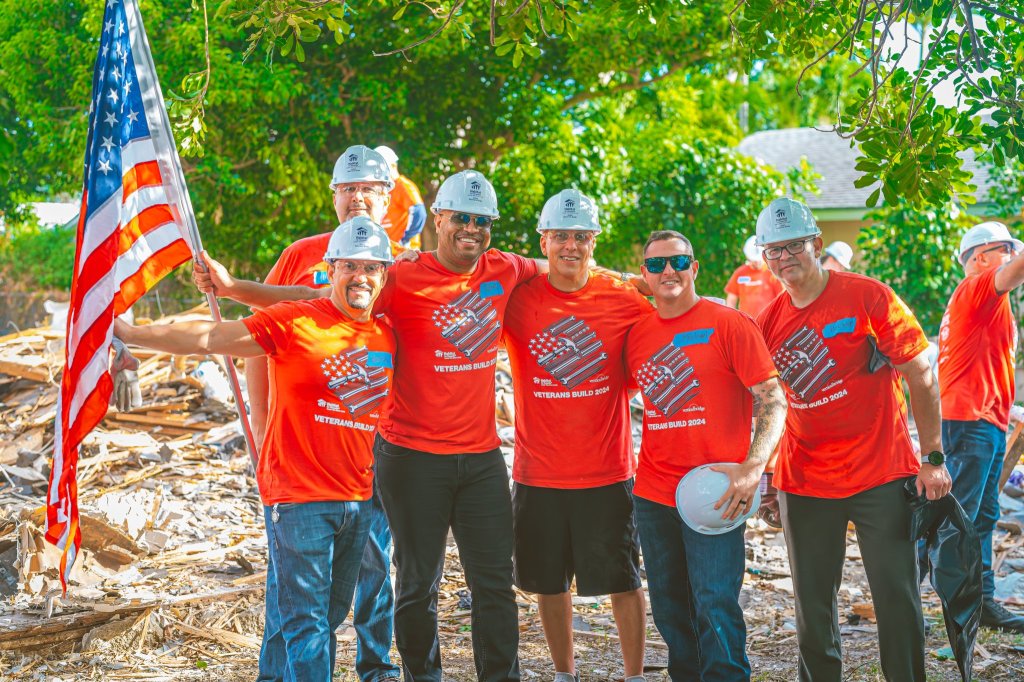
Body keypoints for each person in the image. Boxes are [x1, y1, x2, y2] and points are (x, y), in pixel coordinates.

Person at [194, 169, 547, 682]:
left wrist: (631, 280)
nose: (470, 228)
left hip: (481, 458)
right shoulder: (398, 276)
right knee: (414, 583)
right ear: (439, 219)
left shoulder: (503, 268)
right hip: (411, 458)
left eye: (481, 220)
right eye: (460, 218)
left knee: (494, 582)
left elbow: (562, 260)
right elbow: (312, 305)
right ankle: (417, 676)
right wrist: (235, 289)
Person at [117, 218, 396, 681]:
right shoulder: (294, 321)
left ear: (384, 274)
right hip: (300, 500)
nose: (360, 276)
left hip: (358, 501)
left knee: (326, 619)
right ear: (330, 270)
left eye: (371, 267)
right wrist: (133, 334)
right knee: (305, 624)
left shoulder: (386, 336)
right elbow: (211, 337)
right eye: (349, 265)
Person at [755, 197, 952, 682]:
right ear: (764, 258)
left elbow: (921, 374)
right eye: (774, 250)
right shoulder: (768, 322)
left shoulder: (868, 297)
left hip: (880, 474)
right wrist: (769, 478)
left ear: (816, 244)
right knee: (813, 608)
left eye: (794, 246)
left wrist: (932, 458)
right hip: (805, 482)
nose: (785, 259)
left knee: (896, 597)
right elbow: (768, 406)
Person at [240, 144, 401, 682]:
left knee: (376, 565)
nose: (358, 197)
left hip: (377, 447)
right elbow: (261, 345)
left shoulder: (399, 264)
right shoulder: (302, 255)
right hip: (306, 451)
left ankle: (375, 665)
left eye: (370, 189)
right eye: (347, 187)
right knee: (292, 581)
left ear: (388, 195)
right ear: (333, 195)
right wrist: (263, 433)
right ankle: (277, 672)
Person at [502, 190, 652, 682]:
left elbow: (662, 343)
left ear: (594, 242)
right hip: (538, 471)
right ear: (542, 241)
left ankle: (634, 675)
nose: (571, 245)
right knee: (549, 582)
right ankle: (564, 674)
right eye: (561, 236)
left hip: (606, 472)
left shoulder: (622, 298)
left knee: (624, 581)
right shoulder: (518, 299)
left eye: (581, 237)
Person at [625, 230, 787, 681]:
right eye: (656, 265)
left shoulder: (729, 323)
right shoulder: (638, 334)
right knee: (670, 606)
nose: (668, 272)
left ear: (695, 268)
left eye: (678, 262)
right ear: (645, 274)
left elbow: (773, 398)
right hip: (655, 492)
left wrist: (755, 469)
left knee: (715, 603)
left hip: (717, 491)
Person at [935, 220, 1024, 632]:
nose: (1012, 257)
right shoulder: (978, 287)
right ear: (980, 257)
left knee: (982, 514)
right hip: (971, 420)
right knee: (962, 517)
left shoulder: (987, 302)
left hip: (983, 418)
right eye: (1006, 249)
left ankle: (981, 600)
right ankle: (957, 605)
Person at [375, 145, 426, 249]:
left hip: (405, 252)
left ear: (393, 165)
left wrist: (405, 240)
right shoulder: (383, 189)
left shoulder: (404, 186)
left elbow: (418, 212)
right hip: (389, 252)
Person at [724, 235, 783, 317]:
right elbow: (731, 299)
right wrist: (731, 317)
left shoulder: (772, 272)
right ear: (748, 257)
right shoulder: (740, 273)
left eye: (759, 259)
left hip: (768, 322)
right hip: (746, 323)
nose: (757, 262)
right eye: (754, 260)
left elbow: (782, 299)